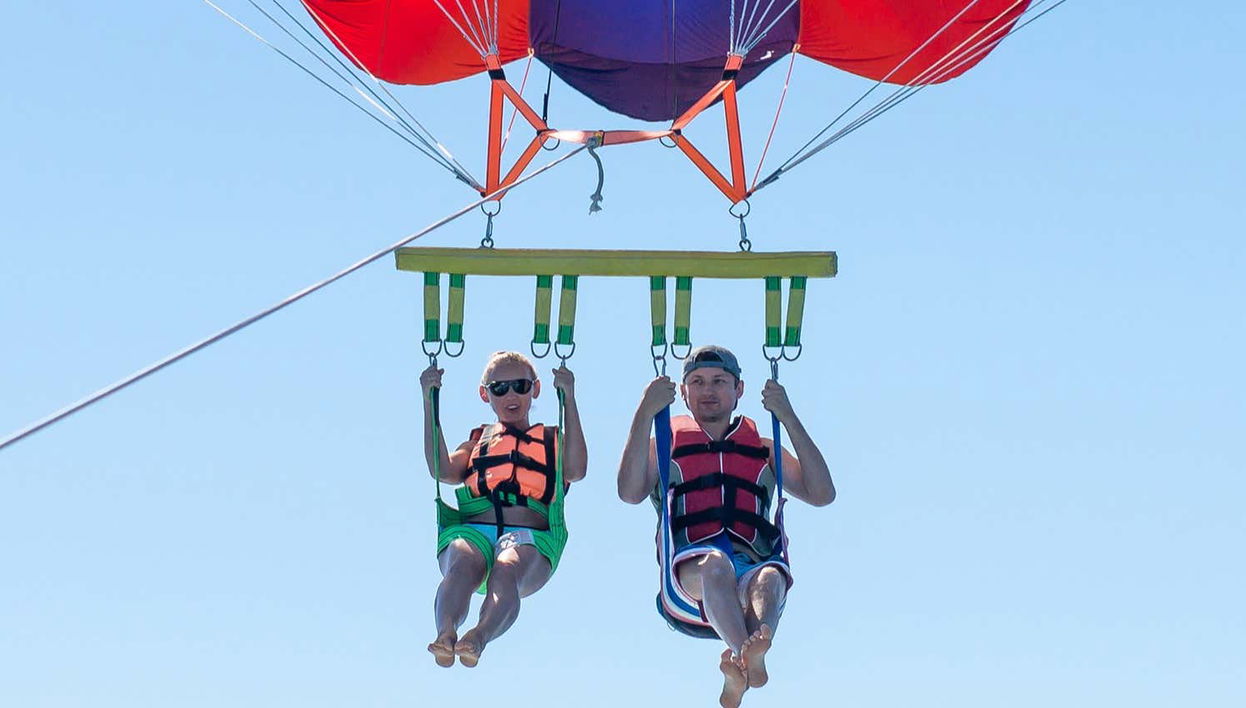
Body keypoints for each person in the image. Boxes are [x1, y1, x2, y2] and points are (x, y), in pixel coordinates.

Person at [617, 345, 835, 707]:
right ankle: (745, 653)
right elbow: (629, 491)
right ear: (683, 393)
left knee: (770, 576)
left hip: (750, 565)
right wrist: (645, 411)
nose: (708, 390)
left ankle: (746, 665)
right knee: (715, 564)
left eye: (719, 381)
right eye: (698, 382)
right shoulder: (665, 445)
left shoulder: (762, 449)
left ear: (739, 390)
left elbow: (822, 493)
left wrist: (787, 415)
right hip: (688, 573)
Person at [421, 351, 587, 668]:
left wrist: (569, 397)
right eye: (500, 388)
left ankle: (478, 637)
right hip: (474, 530)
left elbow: (576, 470)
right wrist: (429, 400)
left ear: (535, 389)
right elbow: (442, 469)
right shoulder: (476, 442)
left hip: (530, 537)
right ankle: (445, 633)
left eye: (520, 386)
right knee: (462, 561)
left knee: (506, 568)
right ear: (486, 394)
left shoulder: (553, 440)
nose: (511, 395)